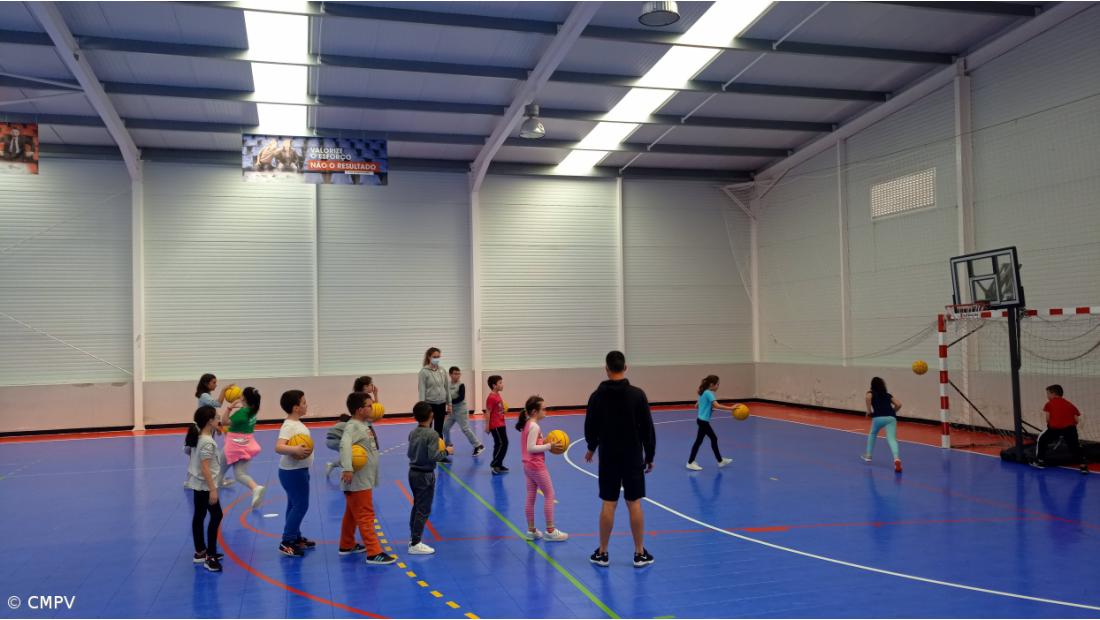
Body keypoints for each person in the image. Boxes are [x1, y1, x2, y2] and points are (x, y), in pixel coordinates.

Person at [584, 350, 656, 568]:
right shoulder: (637, 395)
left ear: (606, 369)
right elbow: (647, 428)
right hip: (632, 455)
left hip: (608, 456)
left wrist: (591, 447)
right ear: (625, 368)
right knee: (634, 502)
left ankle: (603, 552)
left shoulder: (597, 396)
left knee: (609, 502)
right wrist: (649, 454)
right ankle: (639, 553)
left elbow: (590, 426)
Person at [339, 392, 396, 564]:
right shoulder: (353, 427)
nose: (372, 408)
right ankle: (373, 552)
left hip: (363, 479)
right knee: (365, 515)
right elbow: (344, 445)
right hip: (357, 480)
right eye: (369, 406)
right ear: (359, 410)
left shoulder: (363, 424)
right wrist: (347, 468)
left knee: (351, 514)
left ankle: (346, 544)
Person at [517, 395, 568, 542]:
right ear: (534, 411)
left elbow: (532, 443)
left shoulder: (528, 424)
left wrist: (544, 441)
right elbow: (531, 447)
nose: (545, 411)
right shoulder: (534, 426)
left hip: (527, 466)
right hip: (536, 466)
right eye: (543, 409)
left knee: (531, 496)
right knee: (550, 494)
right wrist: (549, 446)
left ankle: (531, 530)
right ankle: (550, 531)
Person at [407, 401, 454, 555]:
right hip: (425, 475)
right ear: (431, 415)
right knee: (423, 509)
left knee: (417, 506)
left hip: (412, 473)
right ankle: (415, 543)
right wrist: (446, 451)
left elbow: (409, 453)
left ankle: (413, 537)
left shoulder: (413, 433)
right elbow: (434, 456)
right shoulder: (432, 434)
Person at [275, 390, 315, 557]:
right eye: (303, 402)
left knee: (293, 505)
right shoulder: (289, 425)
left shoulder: (296, 423)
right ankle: (287, 541)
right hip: (293, 472)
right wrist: (295, 449)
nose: (306, 405)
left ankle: (295, 537)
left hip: (299, 470)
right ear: (296, 407)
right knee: (301, 505)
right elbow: (279, 447)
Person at [184, 406, 224, 573]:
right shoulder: (207, 442)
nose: (219, 420)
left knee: (199, 515)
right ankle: (210, 556)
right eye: (216, 418)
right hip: (205, 485)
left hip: (197, 484)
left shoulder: (198, 436)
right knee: (217, 515)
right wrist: (213, 489)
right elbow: (205, 467)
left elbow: (187, 451)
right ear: (209, 421)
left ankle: (200, 551)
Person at [326, 377, 378, 476]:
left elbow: (377, 411)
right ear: (365, 386)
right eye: (370, 384)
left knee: (368, 451)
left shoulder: (366, 399)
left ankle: (335, 465)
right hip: (362, 428)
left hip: (366, 427)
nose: (372, 386)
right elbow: (376, 413)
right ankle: (341, 468)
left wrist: (375, 394)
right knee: (355, 453)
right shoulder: (358, 399)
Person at [223, 387, 266, 509]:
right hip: (247, 444)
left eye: (241, 394)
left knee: (218, 470)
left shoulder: (242, 413)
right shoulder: (253, 411)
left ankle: (209, 493)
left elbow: (224, 421)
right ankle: (255, 487)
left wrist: (229, 408)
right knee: (239, 474)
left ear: (245, 398)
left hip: (234, 445)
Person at [1033, 384, 1089, 474]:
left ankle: (1040, 461)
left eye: (1048, 394)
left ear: (1053, 394)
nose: (1047, 396)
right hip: (1070, 429)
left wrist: (1054, 425)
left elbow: (1047, 419)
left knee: (1042, 439)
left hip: (1054, 429)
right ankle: (1083, 466)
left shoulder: (1049, 404)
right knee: (1075, 446)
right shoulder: (1070, 404)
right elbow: (1077, 420)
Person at [686, 375, 737, 471]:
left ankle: (692, 462)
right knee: (713, 438)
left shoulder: (703, 392)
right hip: (703, 422)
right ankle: (718, 461)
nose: (718, 386)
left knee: (699, 441)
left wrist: (708, 408)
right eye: (717, 384)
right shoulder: (709, 393)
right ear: (711, 384)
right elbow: (716, 405)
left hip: (701, 420)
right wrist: (731, 408)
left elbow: (696, 406)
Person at [195, 373, 233, 487]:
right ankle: (216, 480)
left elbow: (213, 414)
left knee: (206, 456)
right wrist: (223, 390)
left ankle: (213, 479)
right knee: (210, 456)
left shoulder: (206, 395)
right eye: (214, 382)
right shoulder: (204, 396)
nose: (216, 385)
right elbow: (218, 404)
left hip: (208, 429)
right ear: (206, 383)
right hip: (203, 430)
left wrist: (218, 427)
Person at [862, 377, 902, 473]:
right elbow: (899, 404)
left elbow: (868, 397)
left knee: (873, 434)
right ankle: (896, 459)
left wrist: (869, 411)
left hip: (878, 417)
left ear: (872, 385)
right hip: (891, 418)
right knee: (891, 439)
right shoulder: (887, 395)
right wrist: (893, 411)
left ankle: (868, 455)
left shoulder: (871, 393)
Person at [443, 366, 485, 457]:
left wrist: (449, 402)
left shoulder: (461, 385)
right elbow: (445, 395)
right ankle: (448, 445)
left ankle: (478, 445)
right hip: (452, 411)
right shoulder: (447, 385)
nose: (457, 375)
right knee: (445, 428)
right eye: (455, 373)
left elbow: (460, 398)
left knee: (465, 428)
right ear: (450, 374)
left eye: (459, 374)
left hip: (461, 410)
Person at [418, 348, 452, 443]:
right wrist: (422, 407)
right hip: (429, 405)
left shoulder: (442, 370)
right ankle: (426, 447)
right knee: (427, 429)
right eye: (434, 357)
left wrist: (449, 403)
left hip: (441, 404)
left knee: (439, 429)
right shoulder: (423, 372)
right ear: (429, 357)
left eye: (438, 357)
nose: (436, 359)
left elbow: (447, 387)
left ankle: (439, 448)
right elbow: (421, 390)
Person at [486, 375, 509, 474]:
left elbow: (497, 409)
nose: (502, 384)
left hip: (501, 423)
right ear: (494, 385)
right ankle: (494, 464)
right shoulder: (491, 397)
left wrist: (502, 410)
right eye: (500, 383)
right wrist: (487, 426)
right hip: (495, 425)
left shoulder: (497, 395)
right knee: (503, 443)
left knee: (499, 444)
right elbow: (488, 412)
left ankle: (498, 464)